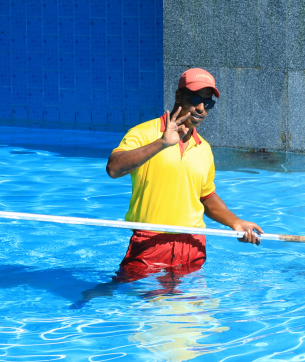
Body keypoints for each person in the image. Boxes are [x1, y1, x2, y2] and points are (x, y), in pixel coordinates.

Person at [103, 67, 263, 284]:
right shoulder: (144, 133)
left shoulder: (203, 148)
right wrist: (161, 143)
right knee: (143, 307)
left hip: (192, 244)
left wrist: (235, 222)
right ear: (178, 95)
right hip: (151, 241)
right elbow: (114, 169)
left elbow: (206, 196)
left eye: (208, 104)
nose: (201, 108)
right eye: (196, 99)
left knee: (193, 312)